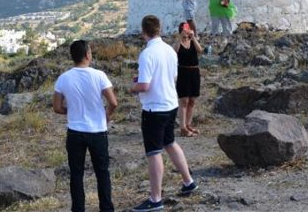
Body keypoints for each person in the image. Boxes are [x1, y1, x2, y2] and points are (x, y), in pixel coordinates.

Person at [130, 15, 198, 211]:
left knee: (154, 152)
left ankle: (155, 199)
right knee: (170, 142)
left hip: (154, 108)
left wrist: (132, 86)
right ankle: (188, 181)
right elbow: (173, 76)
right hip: (170, 104)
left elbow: (144, 85)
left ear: (143, 31)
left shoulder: (147, 54)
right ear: (159, 29)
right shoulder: (169, 50)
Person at [53, 40, 118, 212]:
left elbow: (57, 107)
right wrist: (107, 115)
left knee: (76, 174)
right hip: (97, 130)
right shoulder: (99, 75)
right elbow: (113, 102)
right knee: (102, 173)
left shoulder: (63, 78)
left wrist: (71, 110)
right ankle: (106, 208)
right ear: (88, 54)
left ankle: (78, 209)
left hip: (75, 132)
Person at [172, 22, 203, 137]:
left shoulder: (192, 41)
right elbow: (174, 51)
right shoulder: (178, 43)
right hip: (183, 72)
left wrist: (193, 37)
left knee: (192, 100)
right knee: (184, 100)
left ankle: (189, 124)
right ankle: (182, 127)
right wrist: (180, 38)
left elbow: (200, 50)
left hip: (194, 72)